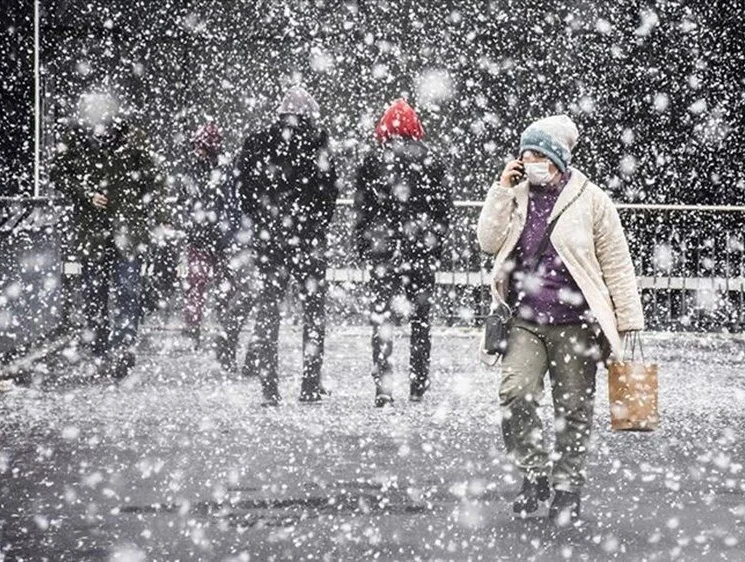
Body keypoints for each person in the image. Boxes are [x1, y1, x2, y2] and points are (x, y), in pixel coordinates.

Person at [476, 115, 645, 524]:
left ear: (557, 157)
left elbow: (617, 264)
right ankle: (534, 473)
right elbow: (487, 241)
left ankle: (567, 487)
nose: (530, 162)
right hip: (525, 319)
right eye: (525, 155)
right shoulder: (516, 195)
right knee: (515, 394)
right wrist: (501, 190)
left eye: (538, 154)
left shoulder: (591, 200)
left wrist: (628, 321)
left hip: (576, 323)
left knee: (573, 408)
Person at [222, 86, 338, 405]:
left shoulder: (258, 142)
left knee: (268, 307)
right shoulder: (318, 143)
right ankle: (310, 383)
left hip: (270, 239)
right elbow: (329, 191)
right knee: (313, 310)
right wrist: (313, 223)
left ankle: (269, 387)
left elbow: (242, 186)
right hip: (308, 240)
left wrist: (262, 220)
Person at [51, 92, 165, 378]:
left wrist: (139, 203)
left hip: (124, 229)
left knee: (125, 290)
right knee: (96, 293)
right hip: (96, 231)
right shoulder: (76, 141)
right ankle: (103, 347)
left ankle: (122, 348)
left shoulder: (132, 140)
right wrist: (86, 194)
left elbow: (154, 177)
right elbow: (58, 174)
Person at [354, 98, 452, 406]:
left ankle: (383, 387)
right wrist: (435, 245)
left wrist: (364, 244)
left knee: (382, 320)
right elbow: (442, 211)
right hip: (420, 251)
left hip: (384, 252)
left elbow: (363, 210)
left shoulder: (372, 161)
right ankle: (418, 384)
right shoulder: (431, 161)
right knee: (420, 321)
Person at [179, 121, 233, 346]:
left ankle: (200, 326)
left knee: (199, 284)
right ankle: (206, 325)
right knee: (202, 284)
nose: (196, 151)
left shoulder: (204, 170)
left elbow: (186, 200)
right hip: (209, 236)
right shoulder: (221, 169)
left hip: (208, 236)